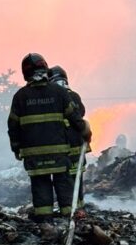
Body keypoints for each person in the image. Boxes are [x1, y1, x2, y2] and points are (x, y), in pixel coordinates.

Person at [8, 53, 91, 224]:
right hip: (60, 153)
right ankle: (69, 219)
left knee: (40, 186)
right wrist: (85, 131)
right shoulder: (60, 93)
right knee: (64, 184)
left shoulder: (20, 97)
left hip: (34, 156)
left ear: (25, 73)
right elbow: (75, 118)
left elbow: (13, 126)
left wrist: (16, 147)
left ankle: (46, 223)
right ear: (45, 69)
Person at [48, 65, 91, 209]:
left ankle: (68, 209)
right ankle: (79, 208)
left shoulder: (53, 98)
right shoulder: (74, 96)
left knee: (63, 180)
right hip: (77, 147)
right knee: (77, 178)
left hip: (62, 147)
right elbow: (81, 114)